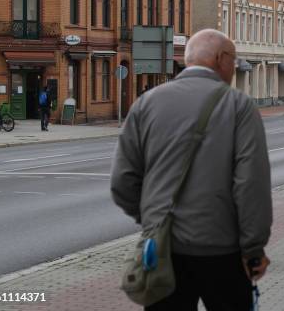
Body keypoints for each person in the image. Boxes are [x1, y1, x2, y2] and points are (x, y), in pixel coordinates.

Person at [111, 29, 272, 311]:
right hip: (223, 251)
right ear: (221, 59)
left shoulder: (146, 104)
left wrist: (152, 221)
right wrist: (253, 249)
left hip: (163, 252)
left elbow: (123, 181)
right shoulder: (239, 106)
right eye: (233, 61)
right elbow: (250, 185)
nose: (234, 68)